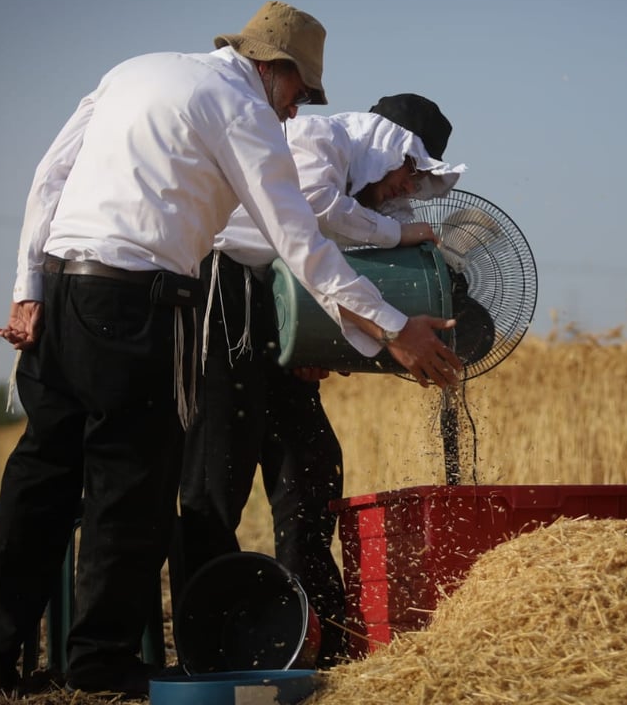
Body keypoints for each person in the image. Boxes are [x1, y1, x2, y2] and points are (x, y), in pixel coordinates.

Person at [0, 1, 462, 696]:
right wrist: (393, 329)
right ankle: (101, 661)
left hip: (62, 287)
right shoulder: (244, 111)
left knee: (40, 476)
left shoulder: (133, 71)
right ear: (276, 69)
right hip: (143, 303)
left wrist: (28, 287)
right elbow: (299, 242)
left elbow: (49, 176)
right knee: (131, 483)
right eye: (299, 94)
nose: (296, 113)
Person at [173, 94, 464, 666]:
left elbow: (320, 270)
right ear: (385, 146)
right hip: (222, 297)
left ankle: (318, 638)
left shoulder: (366, 201)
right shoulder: (317, 144)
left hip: (274, 308)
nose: (409, 189)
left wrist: (308, 339)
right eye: (410, 171)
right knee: (216, 481)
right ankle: (212, 650)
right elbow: (312, 216)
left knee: (310, 468)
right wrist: (400, 242)